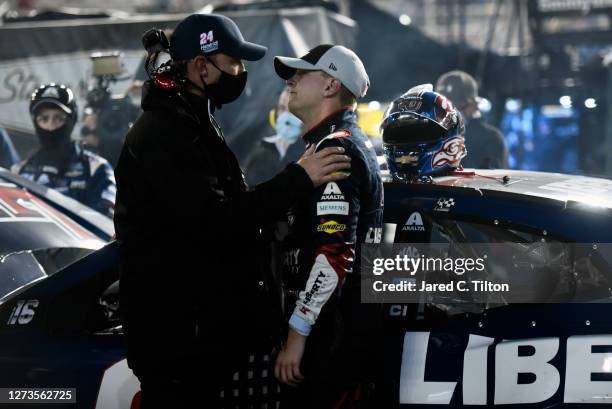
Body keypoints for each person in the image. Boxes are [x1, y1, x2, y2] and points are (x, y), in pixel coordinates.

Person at [113, 14, 351, 408]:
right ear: (201, 66)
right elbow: (216, 221)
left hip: (201, 346)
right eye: (234, 63)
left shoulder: (193, 121)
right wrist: (297, 179)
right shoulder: (163, 133)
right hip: (181, 351)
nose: (241, 73)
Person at [272, 44, 384, 408]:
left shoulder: (338, 150)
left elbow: (334, 254)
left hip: (329, 340)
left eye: (301, 73)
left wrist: (297, 332)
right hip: (332, 332)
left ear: (330, 85)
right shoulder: (325, 144)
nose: (291, 80)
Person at [15, 83, 115, 217]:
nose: (50, 126)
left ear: (71, 121)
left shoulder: (96, 168)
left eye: (58, 118)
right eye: (44, 119)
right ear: (35, 122)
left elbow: (107, 225)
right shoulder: (19, 171)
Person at [435, 70, 508, 169]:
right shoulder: (433, 137)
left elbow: (493, 181)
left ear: (474, 104)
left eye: (457, 106)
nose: (449, 114)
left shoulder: (491, 139)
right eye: (443, 108)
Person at [243, 87, 305, 186]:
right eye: (282, 108)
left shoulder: (311, 154)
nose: (286, 116)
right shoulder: (262, 150)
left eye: (293, 111)